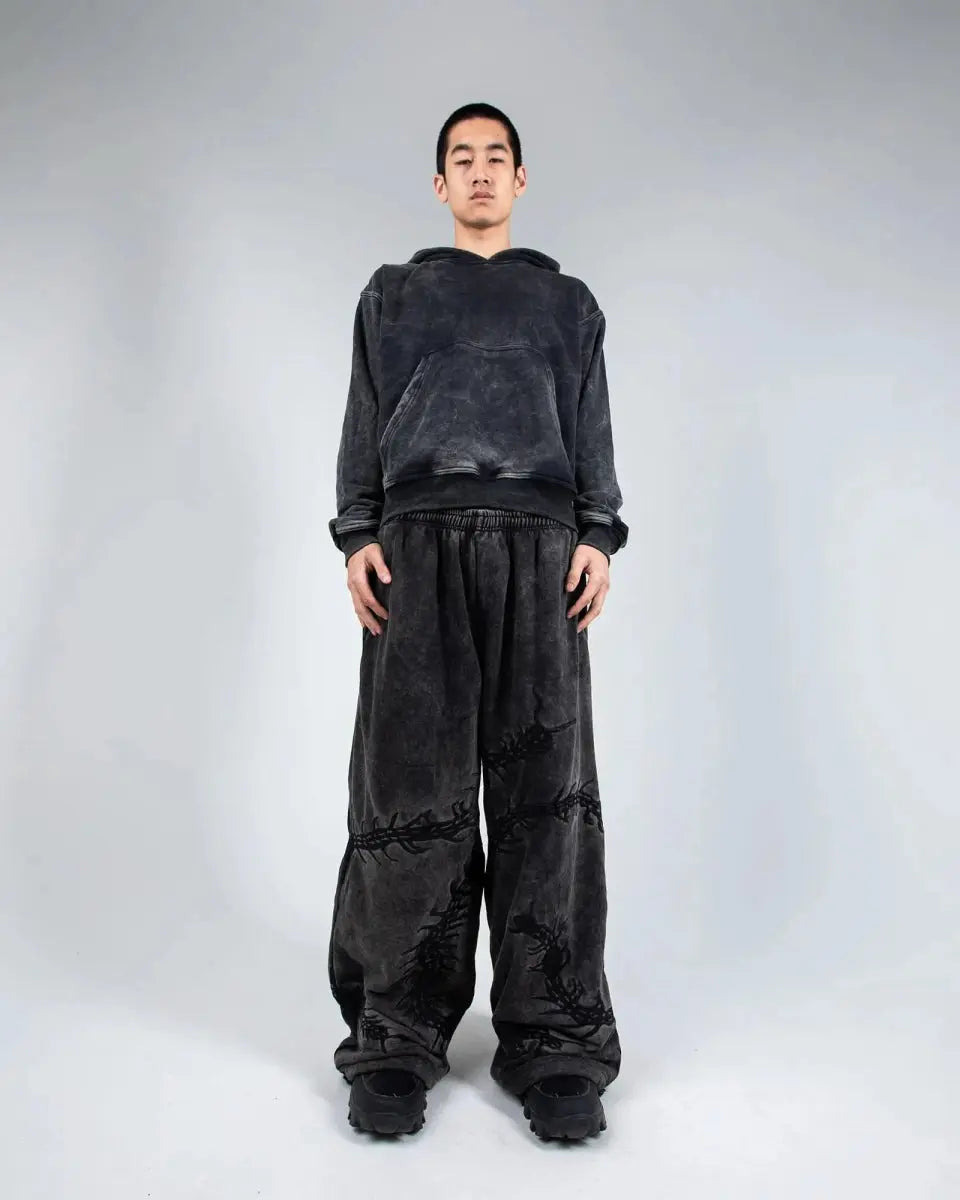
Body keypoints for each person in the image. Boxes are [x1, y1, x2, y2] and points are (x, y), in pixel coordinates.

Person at [326, 101, 628, 1141]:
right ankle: (395, 1036)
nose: (482, 171)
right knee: (411, 796)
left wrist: (599, 533)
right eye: (463, 158)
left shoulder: (568, 304)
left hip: (542, 558)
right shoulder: (393, 295)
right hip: (418, 554)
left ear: (521, 178)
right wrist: (357, 532)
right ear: (441, 184)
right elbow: (364, 418)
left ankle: (556, 1042)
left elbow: (590, 423)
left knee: (549, 797)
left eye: (498, 156)